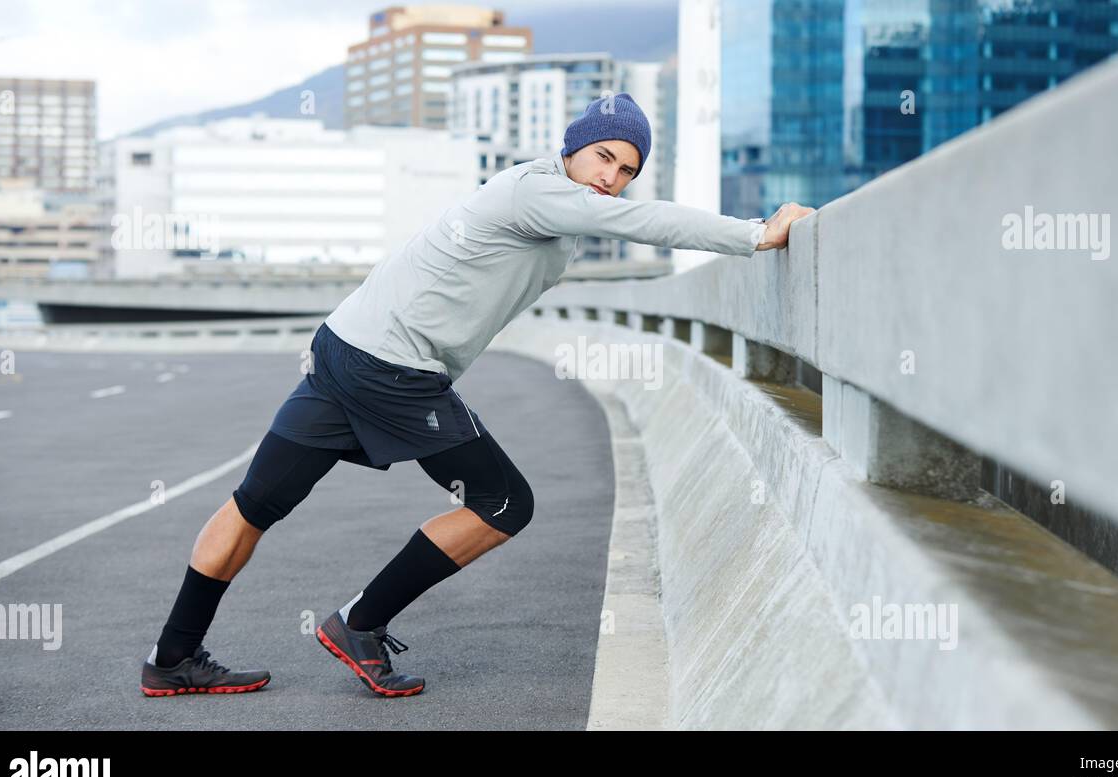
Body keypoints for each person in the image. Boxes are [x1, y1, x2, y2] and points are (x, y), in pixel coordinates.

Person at [140, 92, 816, 698]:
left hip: (346, 345)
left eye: (626, 169)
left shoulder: (548, 206)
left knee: (255, 503)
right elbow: (650, 225)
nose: (611, 177)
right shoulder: (539, 192)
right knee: (503, 502)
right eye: (603, 156)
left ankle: (170, 658)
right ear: (572, 148)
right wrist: (756, 234)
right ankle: (360, 622)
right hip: (394, 369)